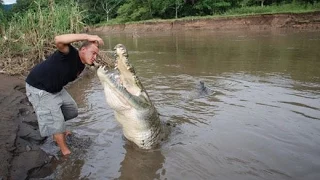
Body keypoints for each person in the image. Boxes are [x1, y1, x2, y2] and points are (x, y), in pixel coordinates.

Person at [25, 34, 104, 155]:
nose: (95, 57)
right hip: (39, 88)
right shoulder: (69, 53)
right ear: (83, 50)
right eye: (93, 53)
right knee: (56, 122)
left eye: (96, 55)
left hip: (56, 89)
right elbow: (58, 39)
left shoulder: (81, 65)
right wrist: (87, 36)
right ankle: (64, 151)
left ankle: (57, 127)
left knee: (72, 111)